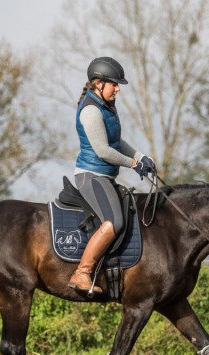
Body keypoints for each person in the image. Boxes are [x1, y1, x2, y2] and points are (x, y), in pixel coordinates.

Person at [68, 56, 156, 294]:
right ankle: (82, 273)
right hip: (91, 176)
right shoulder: (90, 110)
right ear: (98, 84)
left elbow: (116, 142)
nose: (118, 88)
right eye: (114, 84)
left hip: (104, 177)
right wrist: (133, 164)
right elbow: (104, 151)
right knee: (114, 221)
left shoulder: (106, 106)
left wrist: (141, 157)